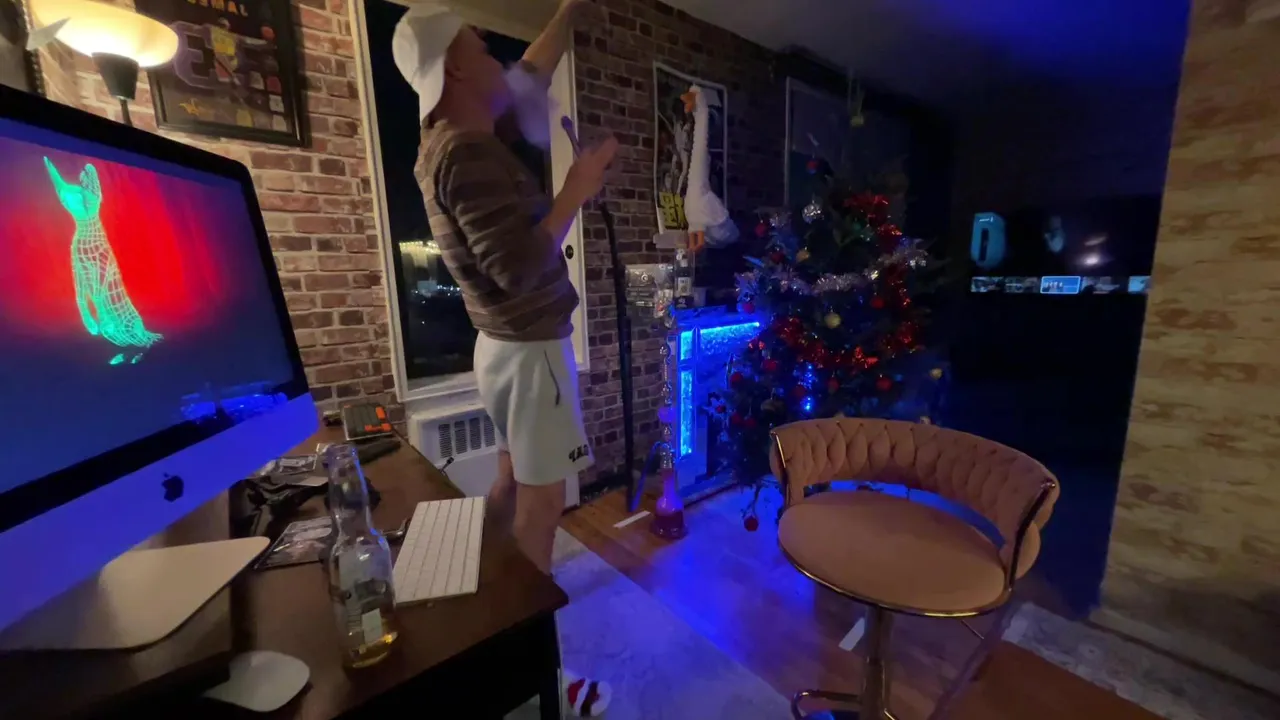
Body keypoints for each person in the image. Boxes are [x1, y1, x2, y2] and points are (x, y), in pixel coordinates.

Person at [394, 2, 616, 716]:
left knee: (513, 483)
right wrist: (577, 188)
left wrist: (568, 10)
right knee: (543, 507)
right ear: (456, 69)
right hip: (530, 353)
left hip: (502, 349)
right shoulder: (468, 153)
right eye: (481, 48)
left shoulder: (443, 143)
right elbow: (519, 267)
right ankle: (533, 675)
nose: (498, 58)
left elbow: (529, 72)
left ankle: (479, 614)